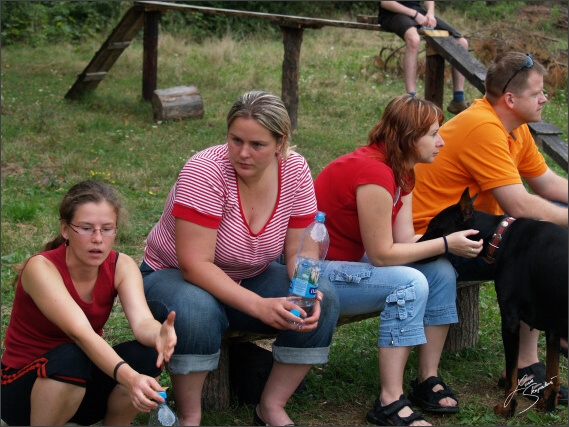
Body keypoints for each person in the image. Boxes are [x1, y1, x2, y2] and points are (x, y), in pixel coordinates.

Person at [140, 90, 340, 426]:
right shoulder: (205, 171)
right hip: (173, 274)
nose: (243, 153)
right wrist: (259, 306)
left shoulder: (294, 169)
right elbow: (195, 265)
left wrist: (303, 287)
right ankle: (190, 416)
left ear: (280, 142)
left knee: (326, 298)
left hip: (250, 273)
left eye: (257, 145)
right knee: (195, 308)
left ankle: (271, 406)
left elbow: (299, 249)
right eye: (235, 140)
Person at [314, 94, 483, 426]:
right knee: (411, 280)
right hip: (312, 271)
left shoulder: (402, 170)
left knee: (440, 272)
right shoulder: (374, 171)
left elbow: (404, 241)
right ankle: (389, 400)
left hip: (347, 260)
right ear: (408, 137)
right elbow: (381, 254)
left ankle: (426, 378)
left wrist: (447, 247)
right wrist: (447, 242)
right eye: (433, 134)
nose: (441, 141)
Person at [412, 51, 568, 403]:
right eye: (537, 93)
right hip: (431, 237)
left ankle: (527, 365)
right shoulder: (483, 127)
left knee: (543, 229)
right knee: (537, 239)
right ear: (511, 99)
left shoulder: (514, 126)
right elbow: (520, 205)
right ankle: (531, 359)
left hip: (480, 231)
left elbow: (546, 184)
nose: (545, 98)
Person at [1, 180, 177, 426]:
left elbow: (142, 322)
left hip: (79, 380)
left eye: (107, 229)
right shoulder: (40, 268)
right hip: (22, 392)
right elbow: (81, 333)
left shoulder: (121, 265)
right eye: (85, 228)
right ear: (65, 229)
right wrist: (131, 378)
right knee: (72, 356)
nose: (97, 239)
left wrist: (159, 334)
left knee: (146, 355)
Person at [378, 1, 470, 114]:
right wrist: (415, 15)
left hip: (418, 13)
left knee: (461, 43)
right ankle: (411, 99)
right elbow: (385, 3)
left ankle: (458, 99)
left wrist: (430, 14)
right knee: (413, 40)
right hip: (392, 14)